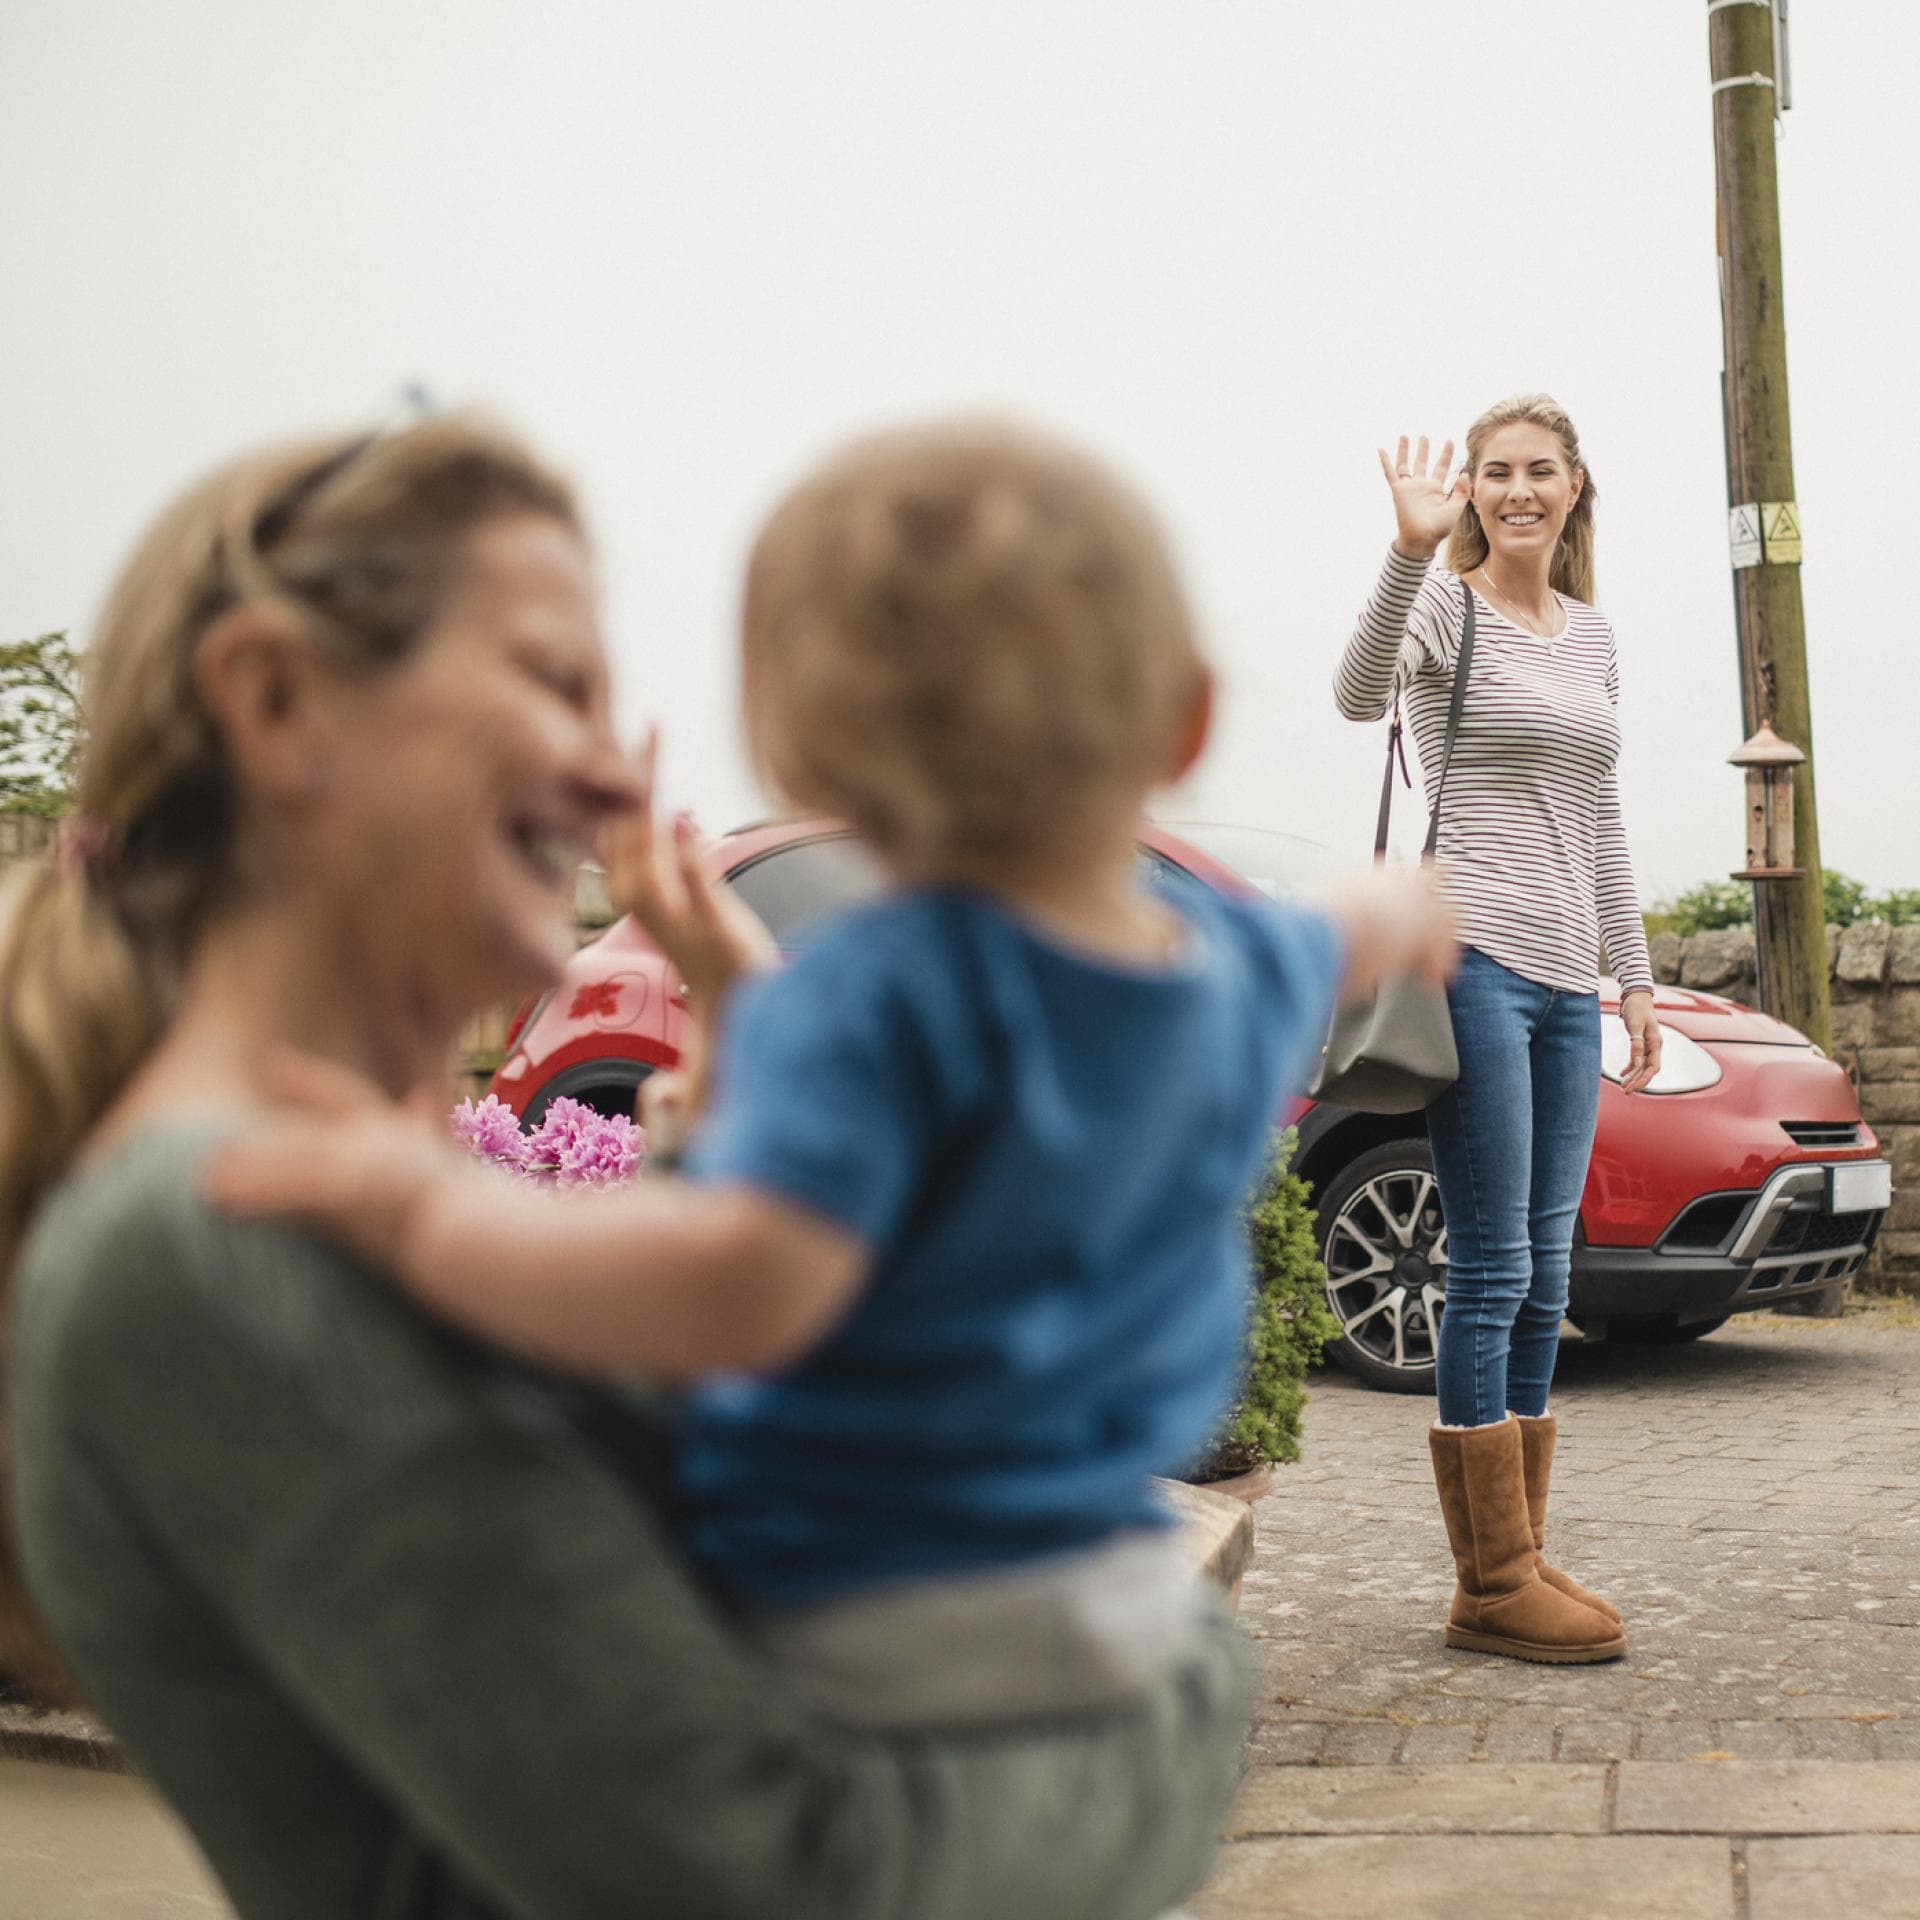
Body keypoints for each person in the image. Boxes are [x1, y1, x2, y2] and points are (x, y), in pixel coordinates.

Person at [4, 413, 1260, 1920]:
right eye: (556, 685)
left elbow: (651, 1519)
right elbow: (774, 1877)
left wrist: (744, 1090)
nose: (617, 782)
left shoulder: (300, 1200)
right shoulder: (209, 1240)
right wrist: (1188, 1700)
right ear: (278, 699)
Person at [206, 419, 1457, 1737]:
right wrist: (1403, 903)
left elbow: (737, 1282)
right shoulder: (1234, 965)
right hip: (1107, 1603)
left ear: (789, 753)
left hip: (864, 1613)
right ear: (1188, 719)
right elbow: (1346, 929)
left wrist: (426, 1211)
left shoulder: (862, 997)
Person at [1333, 394, 1659, 1666]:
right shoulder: (1446, 604)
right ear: (1470, 489)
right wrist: (1410, 548)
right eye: (1494, 472)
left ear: (1576, 486)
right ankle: (1490, 1582)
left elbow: (1605, 814)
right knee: (1492, 1271)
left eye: (1540, 470)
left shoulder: (1593, 636)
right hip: (1471, 960)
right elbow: (1360, 695)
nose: (1518, 489)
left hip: (1569, 982)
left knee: (1548, 1273)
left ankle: (1516, 1549)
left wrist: (1630, 976)